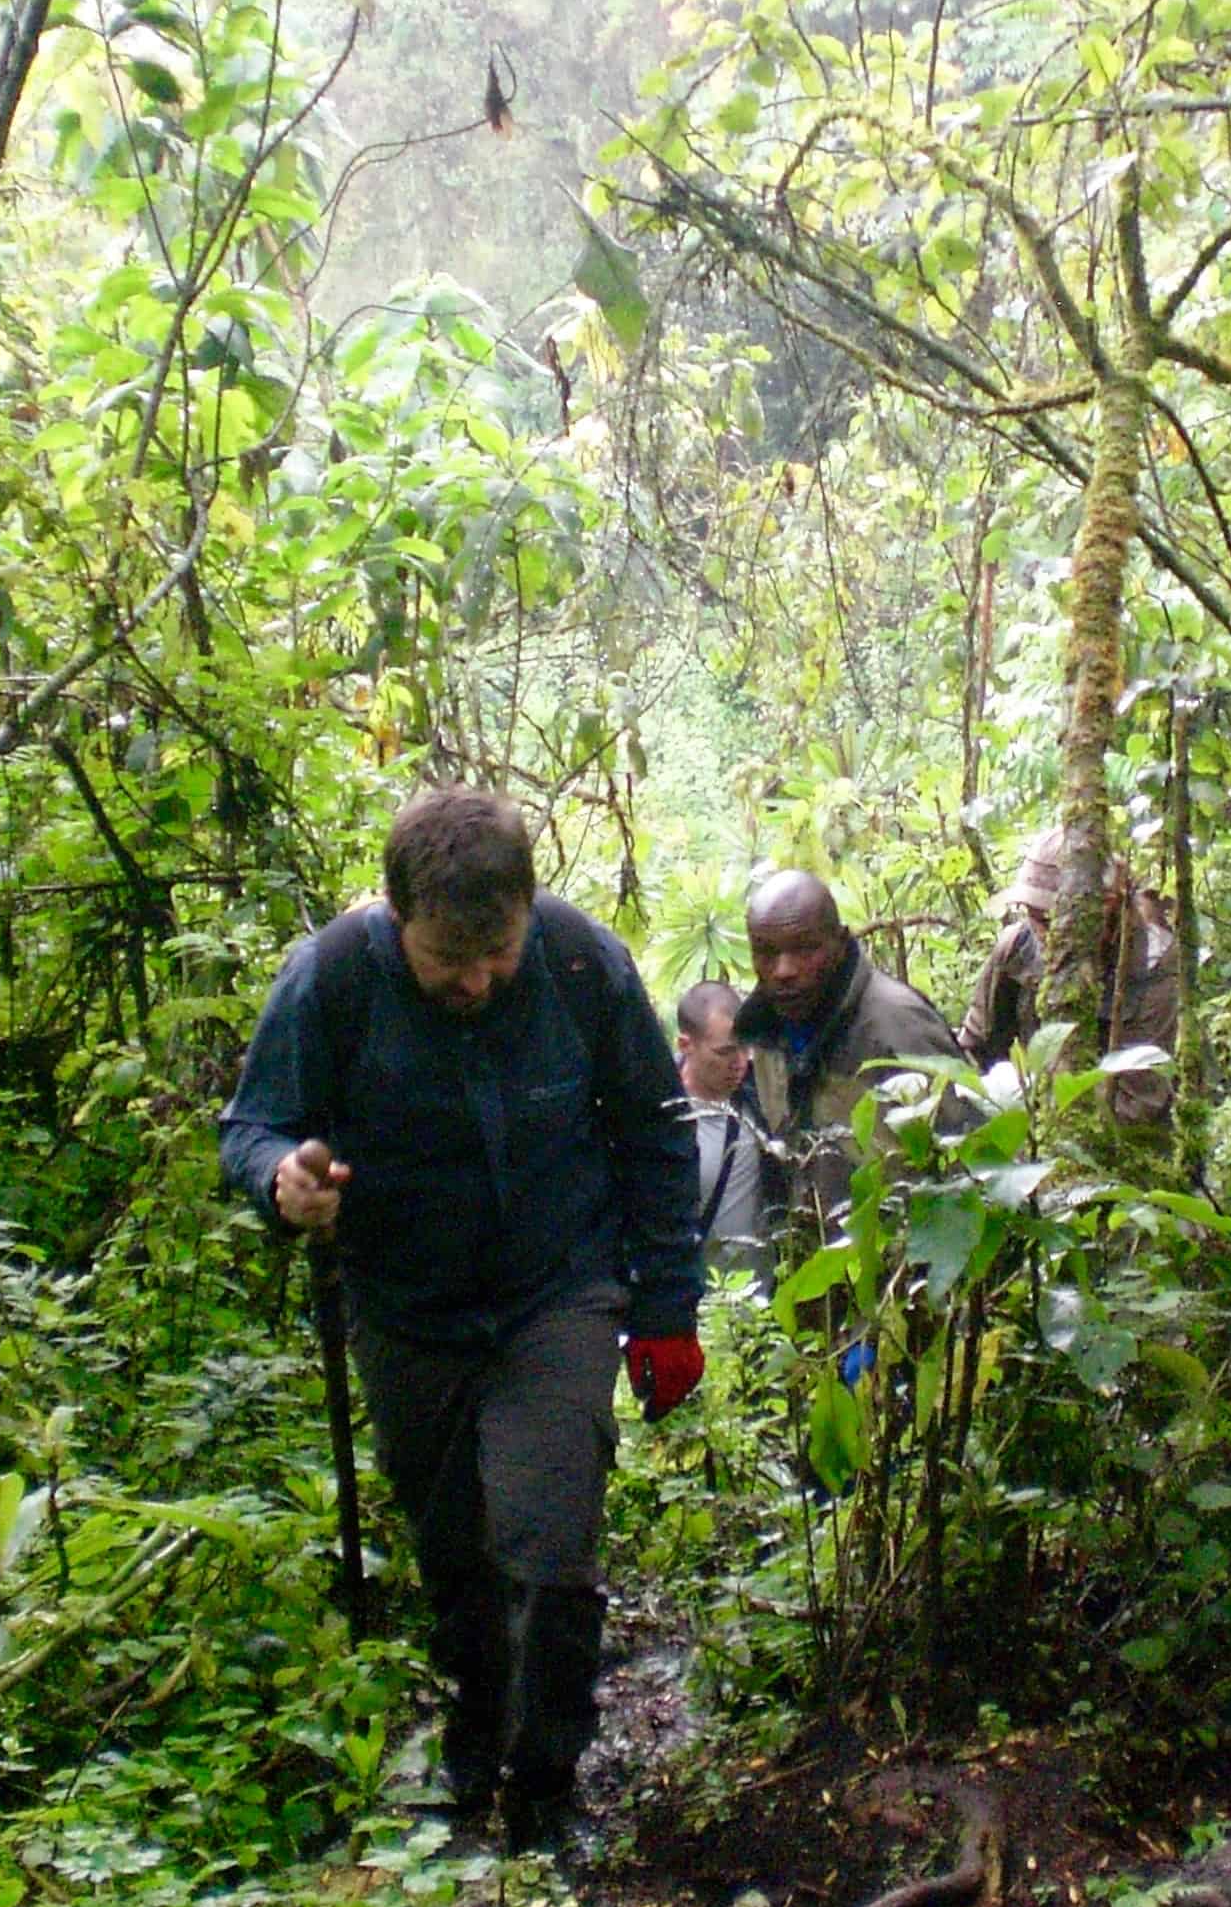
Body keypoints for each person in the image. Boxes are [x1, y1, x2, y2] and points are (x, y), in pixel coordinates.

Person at [217, 790, 703, 1853]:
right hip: (406, 1308)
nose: (476, 981)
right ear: (399, 920)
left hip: (556, 1291)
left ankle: (544, 1785)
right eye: (449, 961)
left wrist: (667, 1307)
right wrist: (281, 1183)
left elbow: (658, 1133)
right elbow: (256, 1125)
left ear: (530, 912)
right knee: (456, 1555)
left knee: (547, 1541)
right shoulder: (335, 977)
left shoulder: (580, 965)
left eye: (498, 955)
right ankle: (471, 1743)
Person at [736, 869, 972, 1245]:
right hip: (820, 1273)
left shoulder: (896, 1027)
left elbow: (967, 1164)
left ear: (841, 943)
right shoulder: (766, 1031)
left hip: (901, 1275)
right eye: (766, 953)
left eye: (804, 949)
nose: (783, 971)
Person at [957, 827, 1181, 1126]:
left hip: (1128, 1145)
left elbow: (1139, 1106)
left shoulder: (1154, 963)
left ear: (1107, 907)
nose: (1042, 932)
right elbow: (973, 1052)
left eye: (1052, 918)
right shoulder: (1017, 948)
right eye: (1033, 914)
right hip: (1031, 1126)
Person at [674, 979, 770, 1288]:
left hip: (763, 1309)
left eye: (745, 1047)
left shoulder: (762, 1096)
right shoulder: (656, 1116)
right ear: (686, 1046)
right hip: (691, 1306)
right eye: (725, 1052)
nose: (739, 1063)